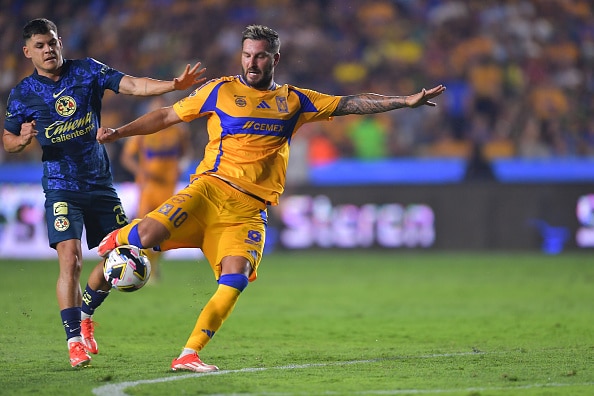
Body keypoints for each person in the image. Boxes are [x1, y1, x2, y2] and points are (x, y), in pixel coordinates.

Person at [96, 24, 445, 373]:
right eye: (247, 55)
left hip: (249, 211)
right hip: (210, 190)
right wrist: (120, 133)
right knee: (145, 236)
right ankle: (118, 239)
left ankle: (189, 353)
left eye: (260, 56)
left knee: (236, 278)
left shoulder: (294, 101)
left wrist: (404, 101)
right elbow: (167, 115)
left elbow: (350, 103)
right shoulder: (219, 90)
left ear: (274, 58)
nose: (252, 62)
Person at [2, 18, 206, 369]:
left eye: (51, 42)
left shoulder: (87, 71)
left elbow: (133, 85)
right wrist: (19, 141)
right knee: (71, 259)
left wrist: (172, 85)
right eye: (39, 45)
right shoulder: (23, 93)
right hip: (60, 185)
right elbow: (7, 139)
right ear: (27, 52)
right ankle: (74, 341)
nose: (47, 49)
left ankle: (86, 314)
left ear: (60, 42)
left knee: (122, 253)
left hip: (100, 183)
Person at [120, 96, 194, 282]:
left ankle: (153, 265)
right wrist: (141, 172)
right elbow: (126, 158)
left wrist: (182, 165)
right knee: (143, 228)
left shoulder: (178, 131)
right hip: (147, 188)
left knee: (165, 231)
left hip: (167, 187)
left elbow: (187, 153)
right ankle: (145, 267)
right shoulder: (142, 132)